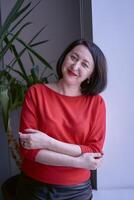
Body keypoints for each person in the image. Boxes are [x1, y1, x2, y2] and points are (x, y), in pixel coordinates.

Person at [16, 39, 107, 200]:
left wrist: (47, 142)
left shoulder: (96, 103)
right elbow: (28, 149)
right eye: (73, 57)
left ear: (91, 74)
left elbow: (94, 151)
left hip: (77, 192)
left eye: (84, 64)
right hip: (34, 188)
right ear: (65, 57)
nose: (75, 66)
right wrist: (79, 162)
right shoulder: (36, 93)